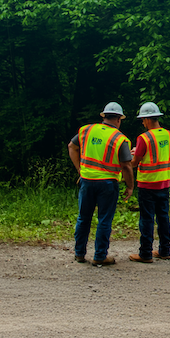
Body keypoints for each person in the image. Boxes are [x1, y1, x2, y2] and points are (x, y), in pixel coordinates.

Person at [68, 102, 135, 266]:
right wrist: (130, 186)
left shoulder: (86, 130)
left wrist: (80, 170)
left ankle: (79, 254)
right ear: (119, 119)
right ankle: (100, 255)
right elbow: (126, 165)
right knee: (104, 219)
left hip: (87, 181)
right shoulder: (120, 138)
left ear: (103, 116)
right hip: (107, 184)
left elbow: (72, 146)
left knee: (83, 218)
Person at [128, 101, 170, 263]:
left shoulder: (143, 138)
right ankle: (164, 250)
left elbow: (135, 162)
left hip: (147, 184)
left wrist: (131, 156)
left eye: (143, 120)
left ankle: (145, 253)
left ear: (148, 120)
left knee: (147, 218)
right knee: (163, 217)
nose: (142, 122)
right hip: (164, 183)